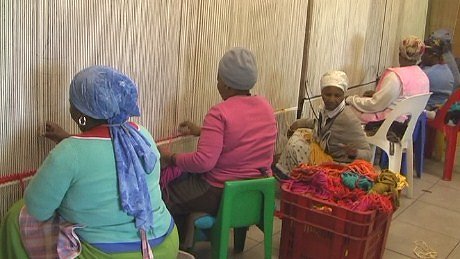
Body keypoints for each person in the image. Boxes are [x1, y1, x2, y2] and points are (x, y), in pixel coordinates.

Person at [0, 66, 178, 258]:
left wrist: (69, 145)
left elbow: (38, 209)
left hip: (108, 254)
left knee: (18, 215)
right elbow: (111, 154)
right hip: (165, 242)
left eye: (72, 103)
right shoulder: (142, 134)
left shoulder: (69, 153)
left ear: (79, 114)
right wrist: (68, 139)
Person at [158, 47, 277, 249]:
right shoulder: (265, 107)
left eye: (219, 79)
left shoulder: (219, 113)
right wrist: (202, 131)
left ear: (228, 85)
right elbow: (242, 135)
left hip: (219, 191)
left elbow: (203, 162)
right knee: (184, 187)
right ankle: (196, 226)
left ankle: (180, 249)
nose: (217, 84)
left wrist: (171, 156)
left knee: (165, 194)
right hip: (257, 190)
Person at [275, 71, 372, 178]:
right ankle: (291, 176)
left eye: (337, 95)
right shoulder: (327, 111)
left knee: (295, 144)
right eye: (328, 94)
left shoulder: (348, 119)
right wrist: (297, 124)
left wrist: (354, 153)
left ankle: (289, 177)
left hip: (338, 168)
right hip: (327, 156)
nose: (331, 99)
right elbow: (319, 125)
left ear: (344, 95)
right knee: (301, 132)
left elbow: (368, 153)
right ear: (322, 93)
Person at [345, 36, 430, 135]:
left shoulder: (395, 77)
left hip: (389, 125)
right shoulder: (423, 76)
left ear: (400, 54)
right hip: (409, 126)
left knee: (346, 110)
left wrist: (350, 99)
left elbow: (375, 105)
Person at [420, 37, 454, 112]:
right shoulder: (447, 69)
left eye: (423, 51)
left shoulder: (428, 74)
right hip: (440, 114)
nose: (421, 54)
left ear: (432, 55)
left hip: (427, 113)